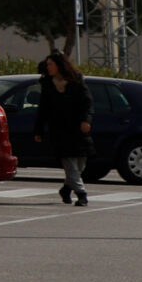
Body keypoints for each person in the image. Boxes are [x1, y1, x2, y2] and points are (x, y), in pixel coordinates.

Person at [37, 51, 91, 207]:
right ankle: (82, 194)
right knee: (70, 164)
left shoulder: (76, 80)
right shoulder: (48, 83)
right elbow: (43, 108)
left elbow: (87, 101)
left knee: (80, 164)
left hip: (77, 129)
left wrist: (86, 120)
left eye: (50, 64)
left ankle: (66, 189)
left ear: (59, 65)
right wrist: (38, 130)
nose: (48, 67)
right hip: (59, 130)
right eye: (47, 65)